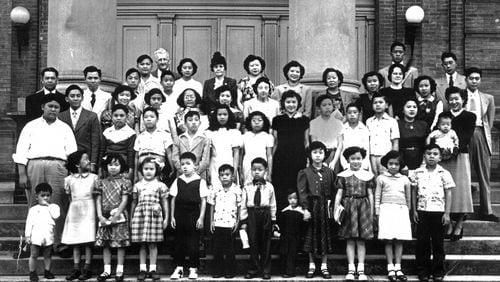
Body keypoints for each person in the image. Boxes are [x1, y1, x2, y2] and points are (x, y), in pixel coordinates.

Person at [13, 94, 77, 251]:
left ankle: (57, 243)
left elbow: (72, 153)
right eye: (50, 106)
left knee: (57, 205)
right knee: (35, 205)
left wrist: (71, 175)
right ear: (43, 107)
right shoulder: (31, 126)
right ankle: (33, 244)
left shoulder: (65, 128)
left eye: (56, 107)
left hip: (57, 166)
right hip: (34, 165)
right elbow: (21, 150)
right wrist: (22, 173)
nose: (53, 110)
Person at [410, 144, 455, 282]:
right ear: (424, 155)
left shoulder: (444, 173)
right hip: (422, 211)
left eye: (435, 154)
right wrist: (414, 211)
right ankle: (423, 271)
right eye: (429, 153)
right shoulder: (417, 173)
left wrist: (447, 213)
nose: (431, 156)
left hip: (438, 212)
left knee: (437, 243)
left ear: (440, 157)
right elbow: (413, 192)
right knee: (422, 243)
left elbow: (449, 193)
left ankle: (437, 271)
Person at [333, 146, 375, 281]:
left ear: (362, 159)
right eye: (353, 159)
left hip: (363, 207)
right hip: (349, 207)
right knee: (350, 239)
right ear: (347, 160)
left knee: (361, 239)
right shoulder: (343, 176)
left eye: (358, 159)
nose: (356, 161)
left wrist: (372, 212)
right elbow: (339, 193)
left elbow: (370, 194)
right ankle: (351, 268)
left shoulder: (367, 175)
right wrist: (336, 208)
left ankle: (361, 269)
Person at [440, 87, 476, 240]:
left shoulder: (469, 116)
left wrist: (454, 149)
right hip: (444, 157)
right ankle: (448, 224)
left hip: (460, 155)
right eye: (451, 99)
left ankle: (459, 223)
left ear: (463, 100)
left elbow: (466, 136)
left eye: (457, 99)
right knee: (447, 189)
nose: (454, 102)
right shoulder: (445, 116)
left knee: (461, 190)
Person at [463, 67, 498, 222]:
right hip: (464, 135)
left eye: (477, 78)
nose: (474, 81)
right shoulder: (460, 95)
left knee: (484, 173)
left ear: (480, 80)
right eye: (471, 78)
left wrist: (483, 135)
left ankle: (487, 210)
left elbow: (489, 122)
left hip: (480, 133)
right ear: (466, 79)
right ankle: (463, 211)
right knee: (464, 173)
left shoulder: (488, 98)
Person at [297, 141, 335, 279]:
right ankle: (311, 265)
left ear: (325, 155)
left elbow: (334, 191)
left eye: (320, 153)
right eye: (315, 153)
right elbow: (302, 192)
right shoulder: (305, 172)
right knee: (311, 235)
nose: (318, 156)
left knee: (325, 235)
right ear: (310, 155)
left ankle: (324, 266)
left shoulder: (330, 172)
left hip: (325, 206)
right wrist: (306, 209)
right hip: (312, 206)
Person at [170, 152, 208, 280]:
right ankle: (179, 268)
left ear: (195, 166)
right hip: (179, 214)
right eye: (182, 164)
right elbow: (173, 199)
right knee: (179, 241)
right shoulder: (178, 180)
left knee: (193, 242)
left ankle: (193, 268)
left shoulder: (200, 181)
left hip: (193, 214)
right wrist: (172, 217)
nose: (185, 167)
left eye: (188, 164)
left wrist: (201, 217)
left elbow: (203, 200)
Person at [375, 151, 412, 282]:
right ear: (386, 164)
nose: (393, 166)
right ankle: (390, 266)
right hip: (386, 209)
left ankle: (398, 266)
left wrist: (408, 210)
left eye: (396, 164)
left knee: (399, 239)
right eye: (391, 163)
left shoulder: (405, 179)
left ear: (400, 165)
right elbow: (378, 196)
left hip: (401, 210)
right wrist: (377, 211)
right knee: (389, 239)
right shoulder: (381, 178)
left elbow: (408, 198)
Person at [95, 154, 132, 282]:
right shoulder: (101, 182)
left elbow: (125, 199)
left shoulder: (125, 182)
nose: (113, 167)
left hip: (119, 216)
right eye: (110, 165)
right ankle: (106, 270)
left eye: (116, 165)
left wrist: (116, 215)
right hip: (105, 216)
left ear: (121, 167)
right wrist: (100, 216)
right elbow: (98, 200)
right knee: (106, 243)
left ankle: (119, 270)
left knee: (120, 244)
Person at [130, 158, 169, 281]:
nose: (148, 171)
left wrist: (166, 218)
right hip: (140, 216)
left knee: (152, 244)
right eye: (146, 169)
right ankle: (142, 269)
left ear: (156, 170)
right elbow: (134, 202)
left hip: (154, 217)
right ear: (141, 170)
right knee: (142, 244)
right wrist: (131, 218)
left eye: (151, 169)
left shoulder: (160, 185)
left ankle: (152, 269)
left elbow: (164, 202)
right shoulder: (138, 185)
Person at [62, 150, 98, 281]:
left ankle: (87, 267)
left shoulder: (94, 178)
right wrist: (74, 209)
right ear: (77, 165)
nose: (89, 161)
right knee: (76, 241)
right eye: (86, 159)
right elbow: (69, 197)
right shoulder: (69, 180)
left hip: (89, 210)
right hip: (75, 211)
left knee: (88, 240)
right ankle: (76, 268)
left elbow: (96, 196)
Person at [240, 157, 278, 280]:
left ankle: (266, 270)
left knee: (266, 243)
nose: (256, 172)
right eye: (254, 169)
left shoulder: (269, 187)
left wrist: (273, 220)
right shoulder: (247, 187)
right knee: (253, 242)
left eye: (260, 169)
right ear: (251, 171)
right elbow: (244, 205)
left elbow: (273, 204)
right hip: (252, 215)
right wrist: (244, 221)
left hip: (265, 214)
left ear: (265, 171)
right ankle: (253, 269)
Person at [272, 90, 309, 212]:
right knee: (281, 187)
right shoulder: (277, 120)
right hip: (281, 158)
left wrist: (307, 160)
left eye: (294, 102)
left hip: (298, 158)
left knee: (297, 186)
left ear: (298, 103)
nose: (291, 105)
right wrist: (272, 161)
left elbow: (306, 141)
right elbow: (275, 142)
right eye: (288, 102)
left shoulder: (304, 120)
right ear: (283, 103)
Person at [208, 164, 241, 279]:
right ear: (219, 177)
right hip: (218, 223)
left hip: (230, 224)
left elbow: (239, 206)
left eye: (227, 175)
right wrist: (211, 221)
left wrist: (237, 222)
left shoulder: (237, 190)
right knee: (217, 249)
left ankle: (230, 271)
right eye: (222, 175)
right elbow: (212, 205)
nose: (224, 177)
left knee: (230, 249)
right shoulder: (215, 189)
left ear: (232, 176)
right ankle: (218, 270)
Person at [59, 84, 101, 173]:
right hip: (66, 159)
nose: (75, 98)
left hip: (85, 159)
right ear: (67, 99)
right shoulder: (60, 116)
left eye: (78, 96)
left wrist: (93, 163)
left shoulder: (91, 116)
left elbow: (95, 142)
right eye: (72, 96)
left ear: (82, 98)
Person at [25, 183, 60, 282]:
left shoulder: (54, 207)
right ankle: (32, 272)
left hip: (48, 235)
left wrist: (49, 205)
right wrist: (28, 236)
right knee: (34, 254)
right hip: (36, 236)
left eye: (48, 195)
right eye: (42, 195)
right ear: (37, 197)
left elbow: (56, 216)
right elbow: (29, 223)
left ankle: (47, 271)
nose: (45, 198)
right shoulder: (33, 209)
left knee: (48, 255)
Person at [134, 107, 174, 184]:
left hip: (158, 164)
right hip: (142, 166)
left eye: (152, 117)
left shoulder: (164, 135)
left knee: (155, 188)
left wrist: (172, 168)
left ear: (157, 119)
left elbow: (169, 153)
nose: (149, 119)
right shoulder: (140, 136)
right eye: (146, 117)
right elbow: (136, 157)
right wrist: (135, 175)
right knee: (142, 189)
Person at [206, 104, 242, 185]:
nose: (222, 117)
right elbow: (208, 153)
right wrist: (207, 170)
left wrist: (235, 171)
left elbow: (236, 153)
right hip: (214, 165)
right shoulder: (209, 133)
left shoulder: (235, 132)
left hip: (230, 164)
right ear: (215, 116)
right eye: (219, 114)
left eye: (225, 114)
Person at [99, 104, 136, 179]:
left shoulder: (131, 133)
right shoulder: (107, 131)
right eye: (115, 115)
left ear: (127, 117)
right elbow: (102, 151)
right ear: (111, 117)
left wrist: (130, 170)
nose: (118, 118)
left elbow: (130, 153)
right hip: (107, 167)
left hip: (123, 167)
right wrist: (100, 168)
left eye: (122, 116)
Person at [171, 111, 211, 180]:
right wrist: (183, 170)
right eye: (190, 120)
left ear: (200, 123)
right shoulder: (179, 138)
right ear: (185, 123)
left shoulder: (205, 139)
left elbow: (205, 160)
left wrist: (196, 172)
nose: (193, 122)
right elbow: (175, 158)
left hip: (199, 175)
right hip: (182, 174)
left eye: (196, 120)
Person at [366, 94, 399, 175]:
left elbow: (395, 142)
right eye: (375, 103)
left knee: (386, 178)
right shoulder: (369, 121)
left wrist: (393, 159)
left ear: (386, 105)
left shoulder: (392, 121)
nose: (378, 105)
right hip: (372, 155)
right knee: (374, 178)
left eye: (381, 102)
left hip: (386, 155)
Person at [332, 103, 371, 172]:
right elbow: (342, 148)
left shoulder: (364, 129)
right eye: (349, 113)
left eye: (355, 112)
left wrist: (364, 166)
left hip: (361, 164)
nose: (352, 115)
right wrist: (345, 166)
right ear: (346, 114)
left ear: (359, 114)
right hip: (346, 164)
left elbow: (366, 148)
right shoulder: (342, 129)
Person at [309, 95, 344, 166]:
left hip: (334, 155)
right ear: (319, 108)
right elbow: (314, 143)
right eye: (324, 105)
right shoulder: (314, 123)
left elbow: (340, 144)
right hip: (319, 155)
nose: (327, 107)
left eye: (330, 104)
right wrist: (321, 159)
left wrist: (334, 161)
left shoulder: (338, 123)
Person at [240, 111, 274, 185]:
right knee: (248, 185)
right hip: (248, 164)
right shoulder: (245, 136)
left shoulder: (267, 136)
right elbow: (241, 155)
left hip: (262, 164)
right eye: (254, 120)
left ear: (264, 122)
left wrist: (269, 173)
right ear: (250, 122)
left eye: (260, 120)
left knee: (262, 185)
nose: (257, 122)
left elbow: (269, 156)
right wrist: (240, 173)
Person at [279, 191, 307, 278]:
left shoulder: (301, 212)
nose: (292, 201)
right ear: (287, 199)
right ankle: (284, 270)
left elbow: (303, 226)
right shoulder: (285, 211)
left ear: (298, 199)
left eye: (295, 198)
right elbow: (282, 225)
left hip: (296, 236)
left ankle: (290, 271)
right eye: (290, 198)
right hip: (286, 236)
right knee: (284, 252)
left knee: (292, 252)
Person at [398, 99, 429, 170]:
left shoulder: (423, 124)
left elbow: (427, 145)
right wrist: (401, 163)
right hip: (402, 160)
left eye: (414, 107)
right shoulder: (397, 124)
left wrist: (424, 162)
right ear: (403, 109)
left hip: (420, 160)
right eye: (408, 107)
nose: (412, 109)